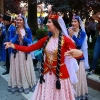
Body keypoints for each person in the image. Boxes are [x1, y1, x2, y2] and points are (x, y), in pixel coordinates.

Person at [4, 14, 83, 100]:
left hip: (60, 77)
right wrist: (13, 46)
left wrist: (79, 53)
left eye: (49, 22)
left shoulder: (66, 40)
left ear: (56, 25)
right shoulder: (46, 39)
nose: (46, 24)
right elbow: (29, 48)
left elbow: (77, 54)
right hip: (46, 76)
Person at [6, 14, 36, 94]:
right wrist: (17, 35)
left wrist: (23, 37)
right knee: (17, 69)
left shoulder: (27, 30)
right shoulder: (13, 30)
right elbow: (10, 40)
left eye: (20, 20)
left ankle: (26, 84)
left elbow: (30, 41)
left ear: (23, 21)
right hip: (16, 53)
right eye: (17, 20)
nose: (18, 21)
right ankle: (18, 85)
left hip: (25, 52)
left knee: (25, 69)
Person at [68, 16, 89, 100]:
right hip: (70, 57)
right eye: (72, 21)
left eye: (75, 22)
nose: (73, 23)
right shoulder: (68, 30)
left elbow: (79, 44)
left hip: (78, 58)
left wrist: (73, 35)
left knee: (77, 77)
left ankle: (77, 94)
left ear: (79, 23)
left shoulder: (82, 33)